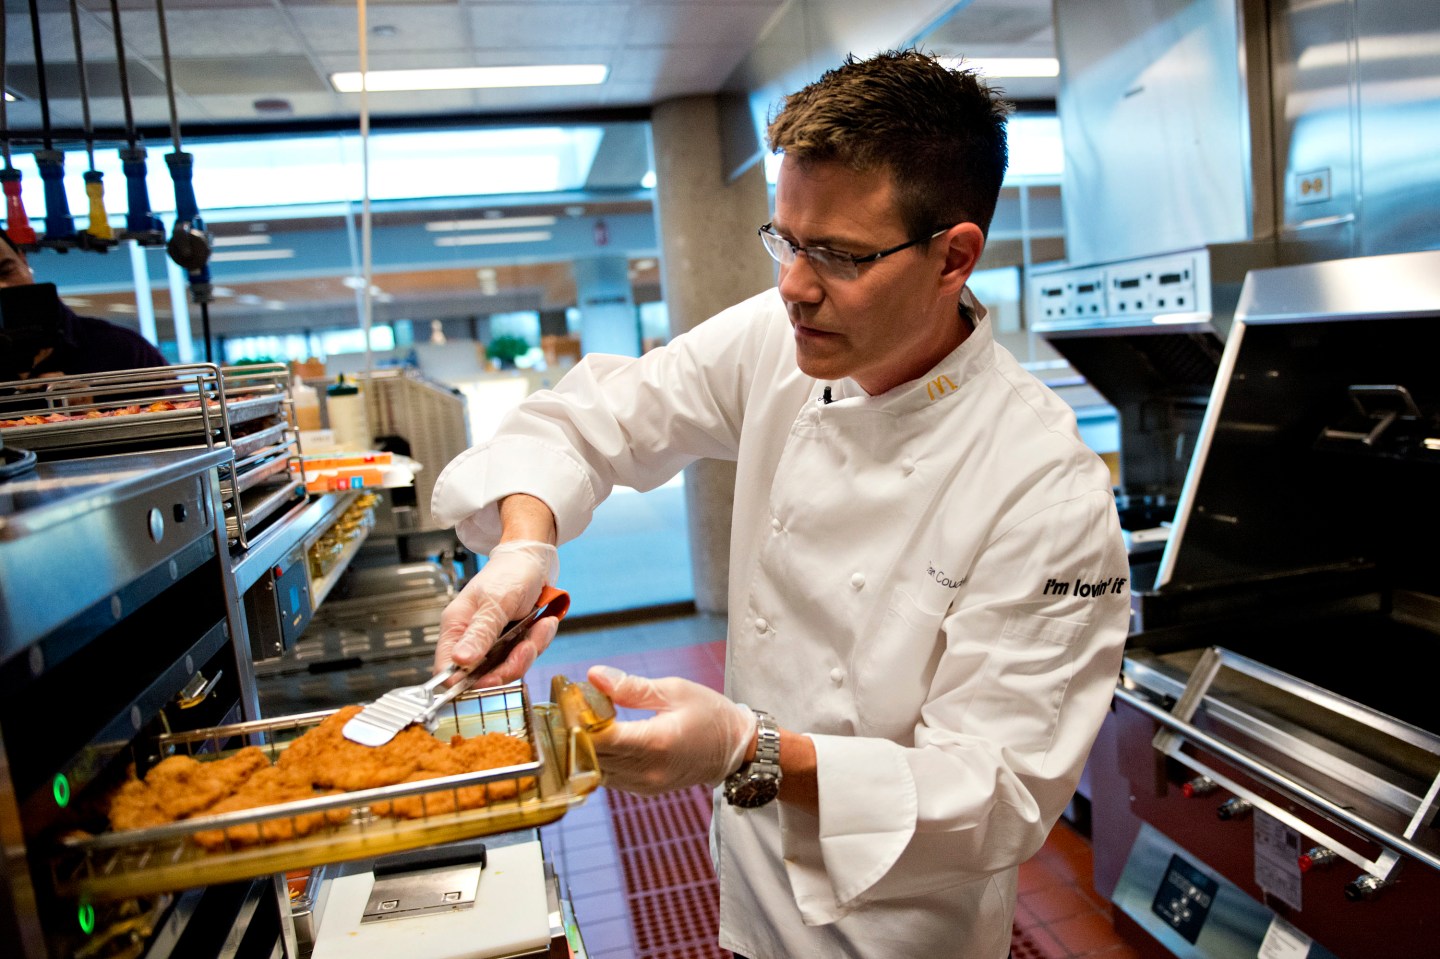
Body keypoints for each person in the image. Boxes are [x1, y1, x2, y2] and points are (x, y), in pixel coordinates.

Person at [430, 49, 1130, 959]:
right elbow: (587, 423)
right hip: (752, 882)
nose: (795, 286)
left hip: (897, 930)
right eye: (787, 240)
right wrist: (525, 549)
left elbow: (995, 795)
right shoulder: (780, 338)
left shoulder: (1045, 487)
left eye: (839, 254)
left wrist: (744, 750)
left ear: (954, 256)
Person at [0, 230, 167, 380]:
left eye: (6, 271)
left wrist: (94, 410)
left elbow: (176, 408)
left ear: (24, 261)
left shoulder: (126, 352)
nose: (3, 287)